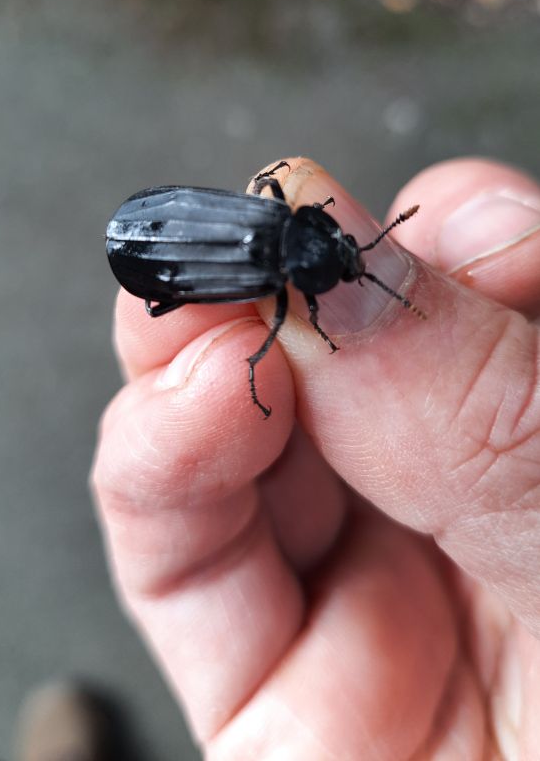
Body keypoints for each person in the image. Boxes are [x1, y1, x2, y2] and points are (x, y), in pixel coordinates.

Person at [92, 156, 540, 759]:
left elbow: (274, 187)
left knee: (182, 314)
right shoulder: (277, 274)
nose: (355, 258)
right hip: (155, 236)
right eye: (348, 255)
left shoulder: (279, 219)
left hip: (161, 217)